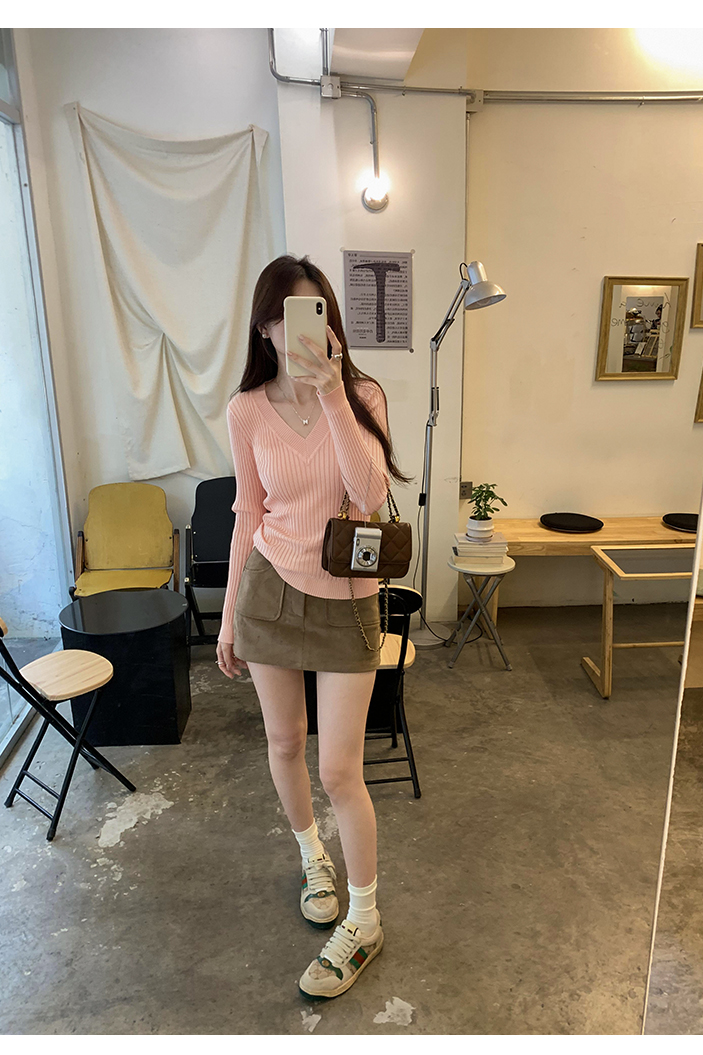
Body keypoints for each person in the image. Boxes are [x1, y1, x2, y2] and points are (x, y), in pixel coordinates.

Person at [216, 254, 412, 999]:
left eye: (314, 312)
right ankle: (312, 859)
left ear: (329, 322)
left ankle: (364, 919)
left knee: (339, 771)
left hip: (347, 597)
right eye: (284, 315)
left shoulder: (362, 395)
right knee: (284, 742)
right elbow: (248, 515)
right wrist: (230, 615)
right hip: (269, 589)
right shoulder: (246, 410)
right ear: (265, 327)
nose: (298, 328)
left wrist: (332, 394)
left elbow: (368, 492)